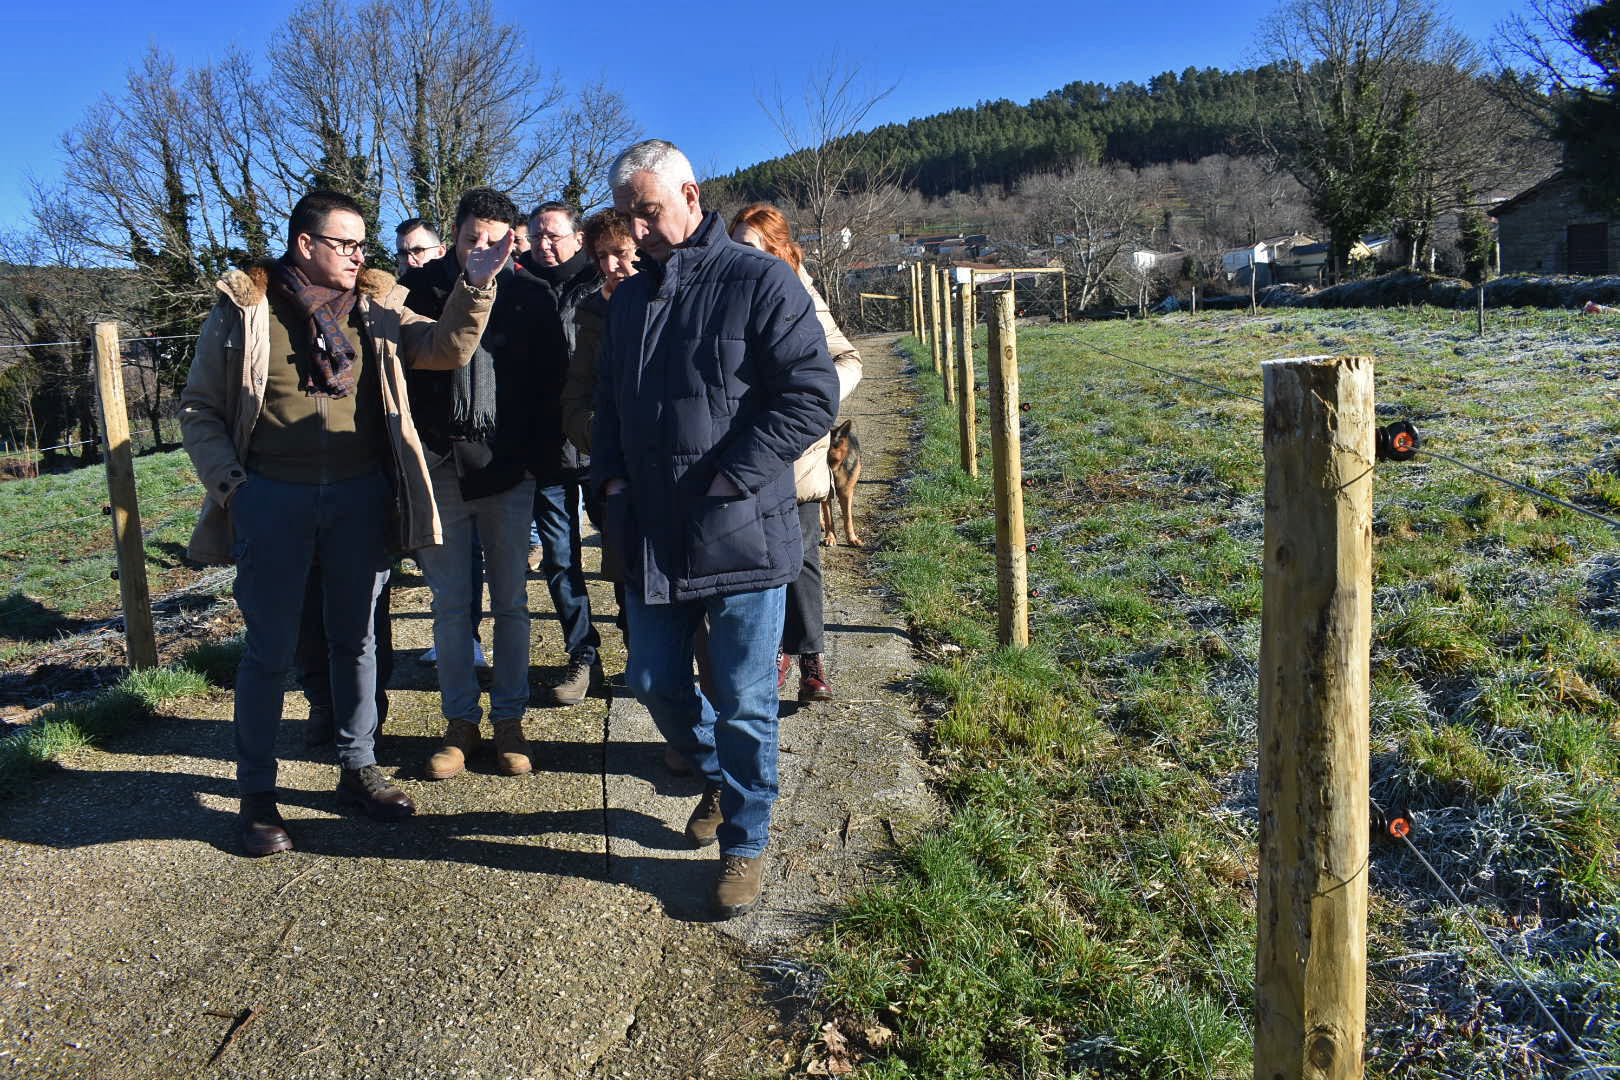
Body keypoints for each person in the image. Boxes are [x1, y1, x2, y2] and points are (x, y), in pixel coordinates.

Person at [180, 188, 506, 856]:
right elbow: (198, 408)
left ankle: (358, 770)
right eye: (346, 242)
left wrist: (474, 287)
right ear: (306, 245)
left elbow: (444, 348)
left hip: (360, 497)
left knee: (356, 640)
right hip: (270, 499)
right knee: (269, 651)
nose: (361, 254)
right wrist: (233, 486)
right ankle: (258, 799)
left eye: (364, 243)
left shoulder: (377, 305)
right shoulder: (247, 309)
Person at [595, 140, 838, 917]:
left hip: (740, 528)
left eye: (649, 210)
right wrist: (610, 482)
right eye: (629, 214)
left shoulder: (757, 279)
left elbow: (810, 395)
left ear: (691, 196)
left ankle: (745, 841)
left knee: (741, 698)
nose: (637, 227)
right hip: (653, 533)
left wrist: (735, 475)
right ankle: (717, 775)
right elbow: (611, 407)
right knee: (654, 682)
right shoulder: (628, 300)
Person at [401, 187, 572, 779]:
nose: (483, 249)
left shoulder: (531, 293)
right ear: (454, 235)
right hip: (442, 466)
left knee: (513, 606)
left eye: (496, 240)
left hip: (507, 468)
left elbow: (553, 386)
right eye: (473, 237)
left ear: (513, 240)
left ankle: (509, 721)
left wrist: (536, 463)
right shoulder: (420, 291)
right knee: (450, 608)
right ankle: (459, 724)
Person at [729, 204, 863, 702]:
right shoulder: (720, 292)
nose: (743, 258)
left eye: (755, 249)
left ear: (780, 252)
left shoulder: (801, 293)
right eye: (737, 246)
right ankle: (770, 654)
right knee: (754, 558)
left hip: (797, 448)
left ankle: (809, 656)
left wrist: (814, 398)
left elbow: (847, 358)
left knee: (802, 554)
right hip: (740, 449)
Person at [516, 199, 602, 704]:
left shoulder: (603, 279)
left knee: (621, 554)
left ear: (576, 236)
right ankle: (583, 654)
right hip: (545, 445)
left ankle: (646, 653)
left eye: (553, 235)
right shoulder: (517, 286)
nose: (544, 245)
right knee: (559, 557)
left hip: (600, 440)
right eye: (536, 235)